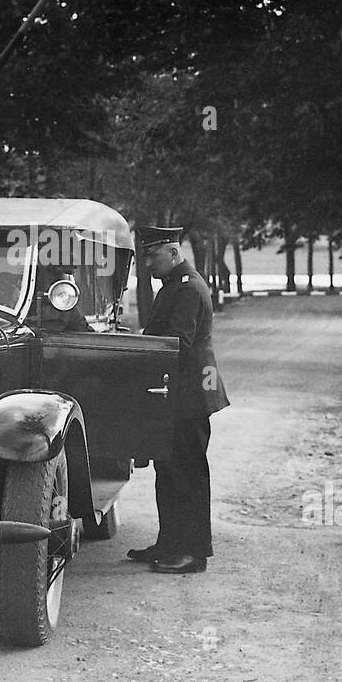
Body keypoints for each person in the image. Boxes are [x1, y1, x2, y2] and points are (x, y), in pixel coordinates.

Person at [127, 227, 229, 573]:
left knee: (188, 473)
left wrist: (137, 351)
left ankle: (193, 553)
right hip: (177, 395)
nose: (147, 263)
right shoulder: (175, 285)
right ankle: (169, 543)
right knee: (168, 470)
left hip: (190, 395)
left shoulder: (187, 289)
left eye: (153, 256)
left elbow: (176, 343)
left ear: (173, 253)